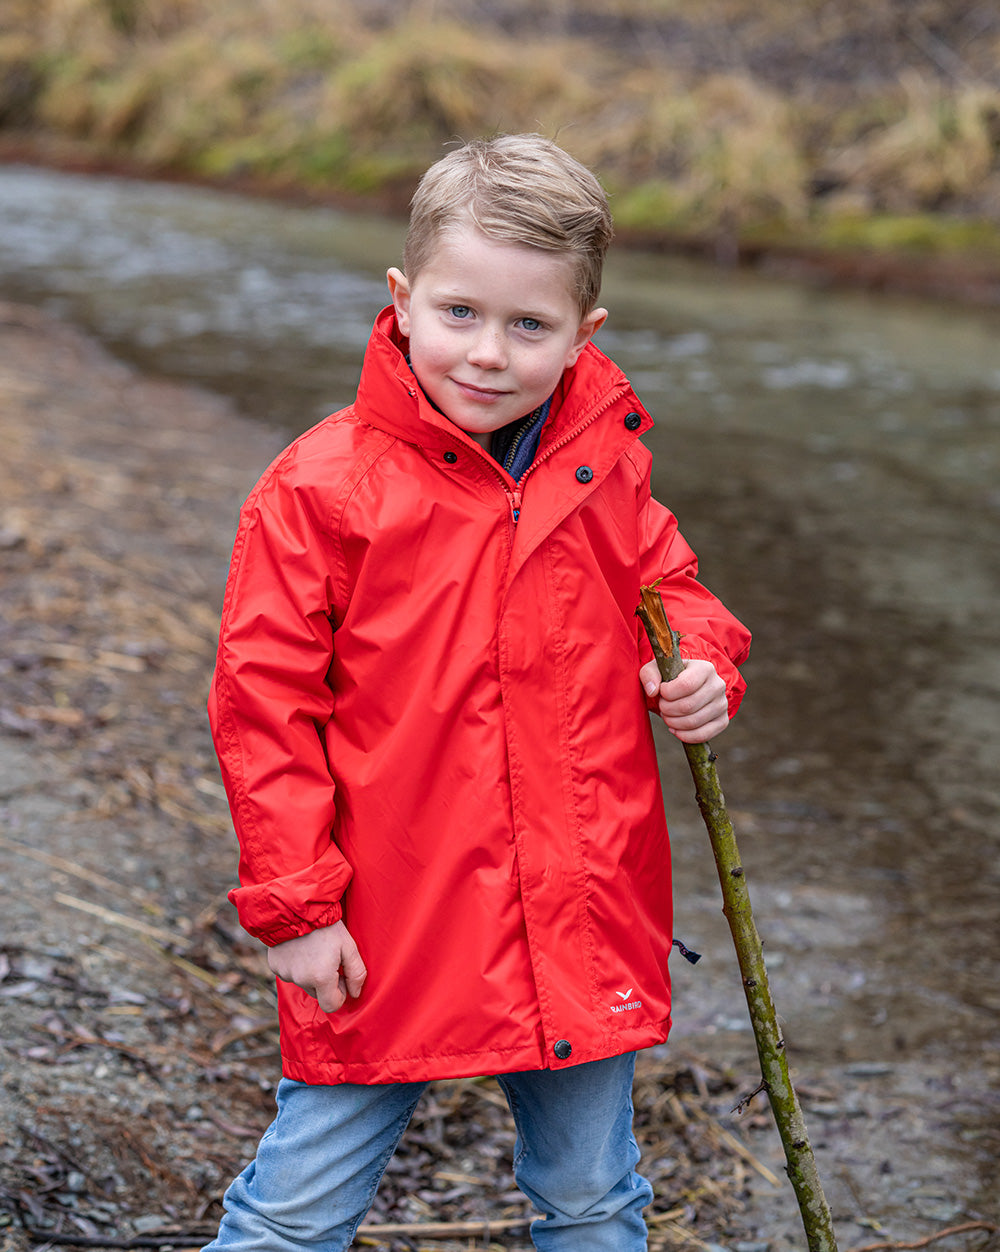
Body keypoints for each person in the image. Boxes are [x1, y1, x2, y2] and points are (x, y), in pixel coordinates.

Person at [203, 133, 751, 1252]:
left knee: (594, 1194)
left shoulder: (604, 463)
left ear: (581, 335)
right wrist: (298, 909)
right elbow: (263, 707)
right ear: (401, 298)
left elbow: (672, 586)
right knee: (299, 1205)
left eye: (527, 326)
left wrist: (697, 663)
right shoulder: (321, 489)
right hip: (391, 925)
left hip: (581, 906)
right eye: (460, 313)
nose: (488, 354)